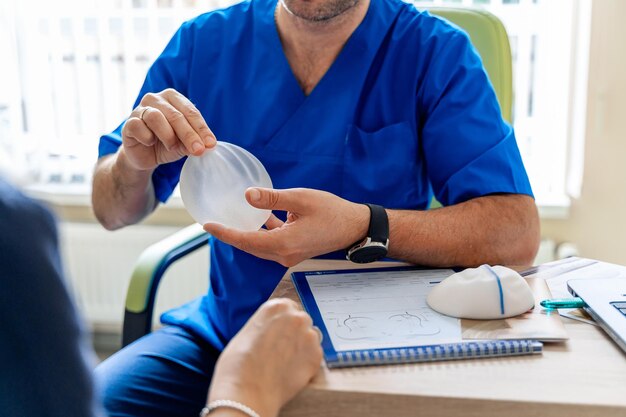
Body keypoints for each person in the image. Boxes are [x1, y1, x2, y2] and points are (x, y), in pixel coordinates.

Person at [92, 0, 540, 415]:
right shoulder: (205, 44)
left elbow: (516, 233)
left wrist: (365, 225)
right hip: (225, 336)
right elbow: (111, 212)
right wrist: (132, 165)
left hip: (380, 346)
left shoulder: (433, 53)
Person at [0, 177, 322, 417]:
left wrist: (367, 222)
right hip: (218, 329)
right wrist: (242, 397)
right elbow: (110, 210)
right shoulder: (11, 235)